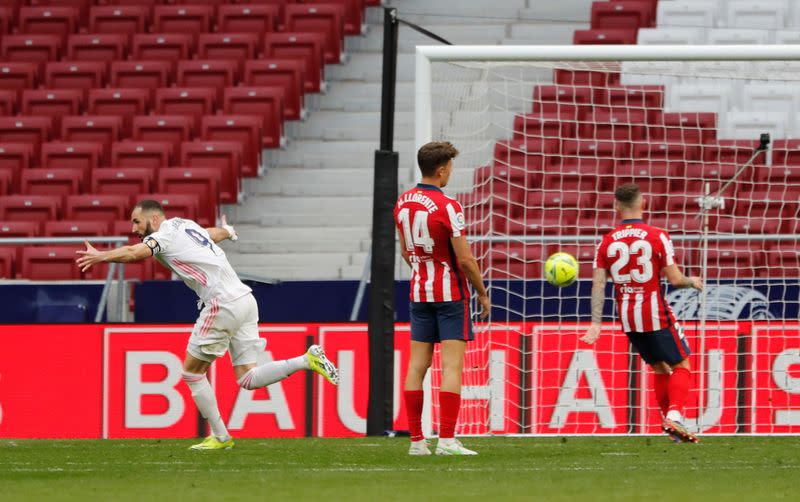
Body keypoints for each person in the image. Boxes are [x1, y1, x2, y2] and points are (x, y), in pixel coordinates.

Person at [76, 199, 339, 450]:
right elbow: (210, 234)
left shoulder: (163, 235)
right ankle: (307, 360)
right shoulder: (184, 224)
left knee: (191, 373)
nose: (133, 228)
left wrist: (101, 257)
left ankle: (221, 437)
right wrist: (227, 231)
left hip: (221, 303)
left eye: (136, 222)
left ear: (153, 218)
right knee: (247, 378)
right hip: (245, 300)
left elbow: (135, 253)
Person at [582, 184, 703, 443]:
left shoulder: (606, 241)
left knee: (659, 368)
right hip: (654, 312)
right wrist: (692, 281)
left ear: (616, 206)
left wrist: (595, 323)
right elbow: (674, 279)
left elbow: (598, 286)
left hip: (627, 316)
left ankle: (671, 429)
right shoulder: (657, 235)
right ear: (643, 203)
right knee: (682, 364)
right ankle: (675, 417)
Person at [395, 141, 490, 456]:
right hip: (450, 294)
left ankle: (416, 443)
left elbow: (405, 252)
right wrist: (481, 291)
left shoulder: (403, 202)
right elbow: (465, 260)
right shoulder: (449, 206)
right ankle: (447, 440)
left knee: (416, 367)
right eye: (450, 166)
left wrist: (424, 268)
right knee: (451, 367)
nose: (451, 171)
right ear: (441, 170)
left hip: (419, 292)